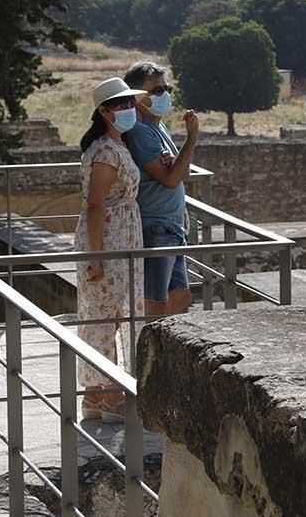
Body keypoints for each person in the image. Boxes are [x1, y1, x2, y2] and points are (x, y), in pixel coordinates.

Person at [75, 77, 147, 422]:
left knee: (112, 316)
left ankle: (97, 396)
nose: (128, 109)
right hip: (109, 237)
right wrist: (96, 257)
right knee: (105, 318)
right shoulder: (104, 150)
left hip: (122, 234)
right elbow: (95, 204)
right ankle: (106, 397)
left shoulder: (117, 145)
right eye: (121, 105)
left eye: (130, 103)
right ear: (104, 111)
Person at [123, 62, 199, 317]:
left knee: (180, 297)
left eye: (167, 88)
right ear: (137, 96)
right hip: (156, 228)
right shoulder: (140, 132)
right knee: (156, 303)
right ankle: (148, 353)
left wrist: (175, 165)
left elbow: (182, 172)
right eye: (157, 90)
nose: (164, 94)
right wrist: (192, 138)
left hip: (173, 227)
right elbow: (170, 179)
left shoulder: (159, 127)